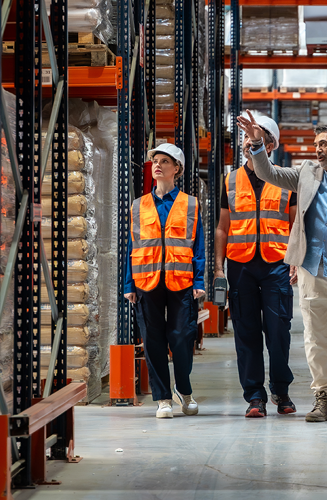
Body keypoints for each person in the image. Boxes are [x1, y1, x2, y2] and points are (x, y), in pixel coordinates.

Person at [237, 111, 327, 423]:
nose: (318, 149)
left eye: (325, 144)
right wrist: (258, 144)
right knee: (314, 339)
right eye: (316, 144)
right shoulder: (306, 174)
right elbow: (268, 174)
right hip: (311, 270)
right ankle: (323, 399)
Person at [215, 114, 298, 418]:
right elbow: (223, 227)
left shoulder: (287, 178)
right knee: (246, 333)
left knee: (278, 332)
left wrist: (296, 261)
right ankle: (254, 396)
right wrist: (219, 268)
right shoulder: (230, 179)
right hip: (241, 265)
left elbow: (295, 225)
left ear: (270, 143)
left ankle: (282, 390)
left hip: (277, 264)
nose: (249, 139)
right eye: (246, 135)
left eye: (257, 134)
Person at [124, 143, 206, 419]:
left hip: (181, 281)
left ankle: (184, 388)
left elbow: (199, 246)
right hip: (146, 281)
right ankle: (162, 399)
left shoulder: (190, 204)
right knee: (153, 340)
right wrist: (128, 285)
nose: (157, 165)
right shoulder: (138, 205)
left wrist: (200, 279)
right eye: (155, 161)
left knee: (182, 336)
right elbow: (132, 246)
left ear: (177, 169)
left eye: (164, 161)